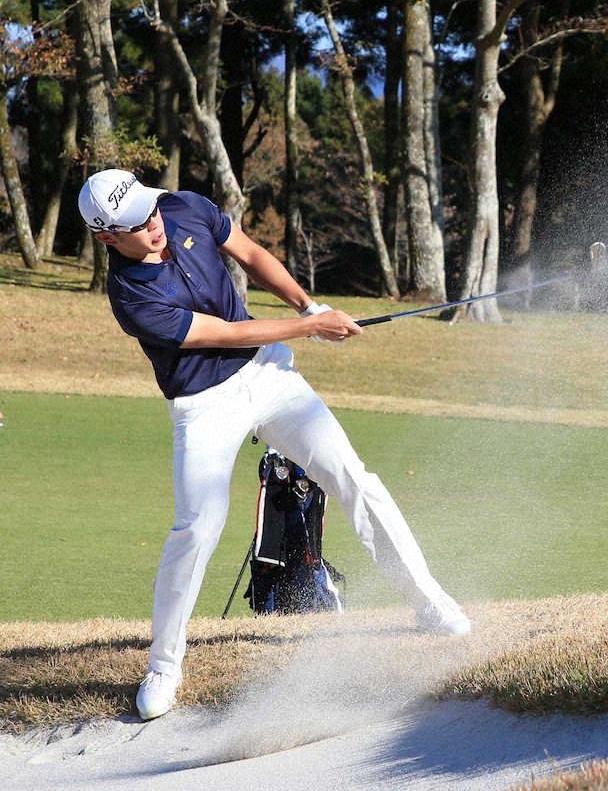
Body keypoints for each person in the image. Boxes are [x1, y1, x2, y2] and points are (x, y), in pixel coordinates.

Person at [78, 169, 471, 722]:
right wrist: (308, 329)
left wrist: (306, 305)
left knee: (352, 477)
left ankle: (429, 601)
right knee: (197, 526)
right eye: (136, 225)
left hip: (267, 376)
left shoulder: (184, 206)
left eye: (150, 211)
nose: (153, 224)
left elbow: (252, 254)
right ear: (105, 238)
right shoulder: (130, 296)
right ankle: (164, 665)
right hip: (203, 403)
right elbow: (224, 333)